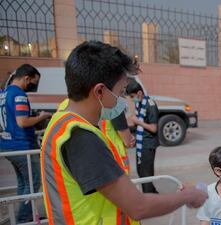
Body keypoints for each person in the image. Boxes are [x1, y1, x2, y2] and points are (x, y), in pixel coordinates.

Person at [40, 41, 207, 225]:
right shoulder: (80, 137)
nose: (122, 101)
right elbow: (138, 207)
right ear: (99, 91)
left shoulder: (62, 118)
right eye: (120, 93)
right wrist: (189, 196)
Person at [0, 64, 52, 223]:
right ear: (26, 78)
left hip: (7, 145)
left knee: (24, 184)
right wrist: (42, 117)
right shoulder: (19, 95)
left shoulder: (3, 94)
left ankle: (25, 216)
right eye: (34, 82)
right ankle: (24, 219)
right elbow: (22, 122)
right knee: (33, 182)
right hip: (22, 145)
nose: (34, 86)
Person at [125, 79, 159, 193]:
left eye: (132, 96)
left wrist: (138, 121)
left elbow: (154, 128)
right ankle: (153, 193)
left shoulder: (150, 105)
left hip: (148, 144)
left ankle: (150, 198)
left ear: (139, 93)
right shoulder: (139, 103)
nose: (132, 99)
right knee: (141, 171)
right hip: (141, 143)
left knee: (147, 174)